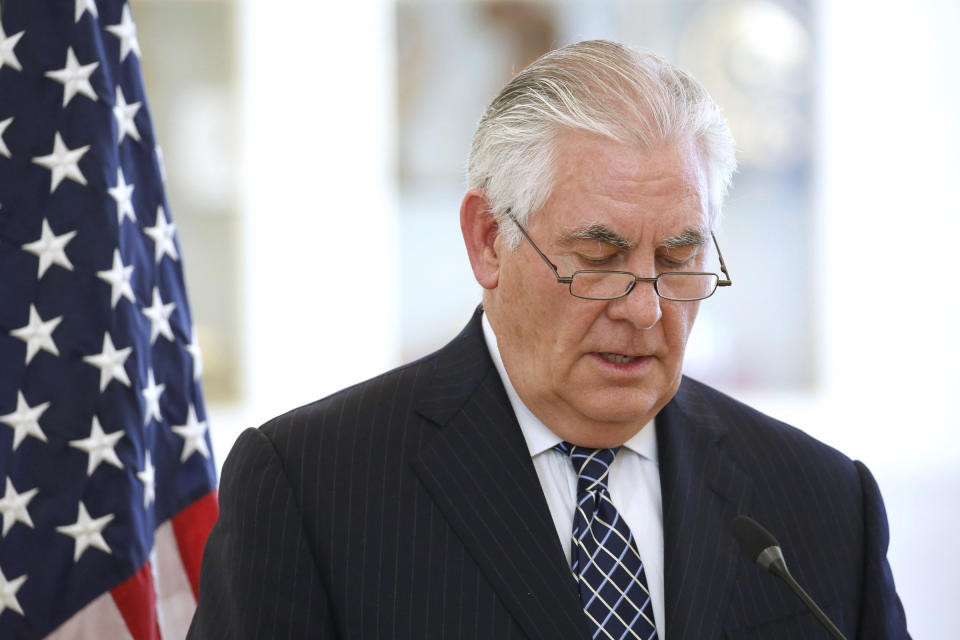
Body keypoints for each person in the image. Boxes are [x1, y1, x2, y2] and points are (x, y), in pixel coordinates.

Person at [189, 40, 909, 639]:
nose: (646, 310)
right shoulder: (311, 488)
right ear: (489, 241)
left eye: (677, 259)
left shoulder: (823, 503)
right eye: (599, 260)